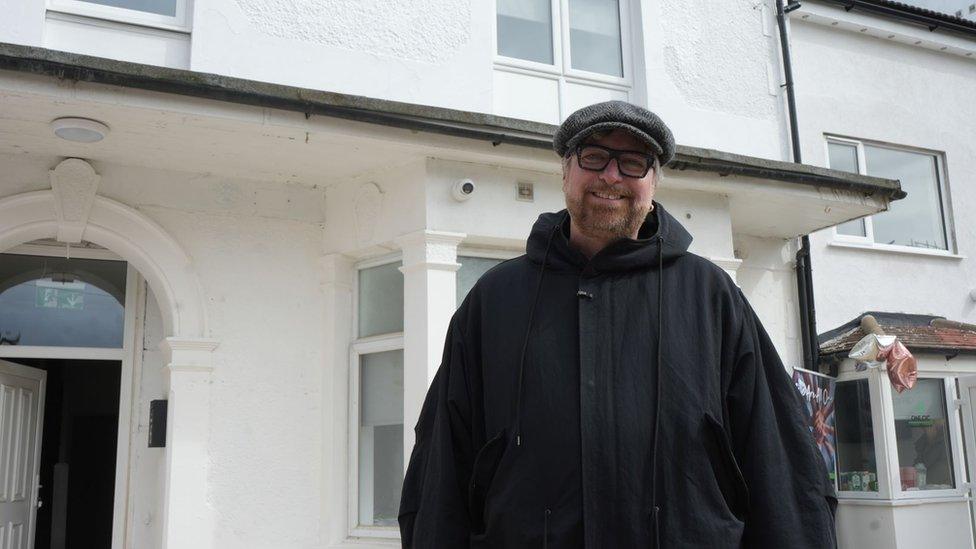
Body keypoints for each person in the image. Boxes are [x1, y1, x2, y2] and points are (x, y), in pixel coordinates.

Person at [398, 100, 837, 548]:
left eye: (633, 162)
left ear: (653, 181)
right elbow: (441, 471)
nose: (611, 176)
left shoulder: (710, 296)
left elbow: (778, 462)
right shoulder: (494, 300)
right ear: (565, 170)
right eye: (594, 157)